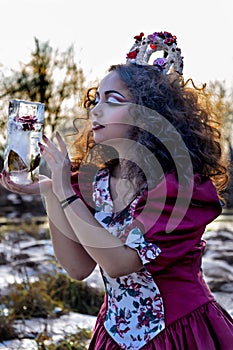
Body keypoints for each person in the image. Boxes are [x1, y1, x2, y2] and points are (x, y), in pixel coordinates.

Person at [0, 31, 233, 349]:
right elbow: (79, 268)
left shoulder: (180, 187)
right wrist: (52, 190)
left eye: (113, 100)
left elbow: (121, 263)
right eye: (97, 99)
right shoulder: (95, 182)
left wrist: (65, 190)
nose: (95, 110)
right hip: (113, 333)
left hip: (179, 332)